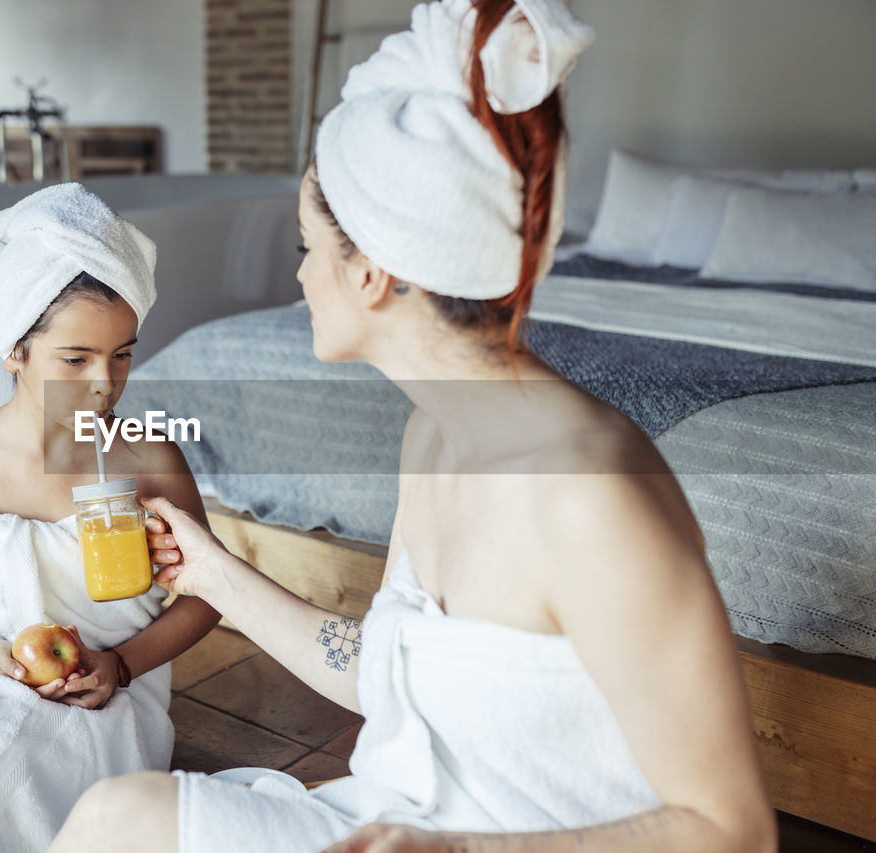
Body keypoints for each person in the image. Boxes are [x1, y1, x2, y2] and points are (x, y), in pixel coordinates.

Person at [49, 1, 776, 852]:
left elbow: (732, 828)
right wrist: (214, 572)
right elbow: (391, 676)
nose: (299, 277)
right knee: (116, 814)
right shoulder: (431, 438)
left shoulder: (593, 494)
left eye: (307, 248)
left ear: (371, 274)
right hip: (394, 823)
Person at [0, 183, 220, 853]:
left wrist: (121, 664)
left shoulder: (146, 456)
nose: (105, 382)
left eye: (123, 353)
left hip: (106, 697)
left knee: (13, 788)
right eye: (75, 359)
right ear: (14, 350)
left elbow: (206, 598)